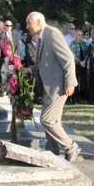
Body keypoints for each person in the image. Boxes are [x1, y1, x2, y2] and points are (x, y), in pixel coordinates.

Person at [26, 12, 81, 163]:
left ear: (38, 22)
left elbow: (68, 58)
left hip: (58, 86)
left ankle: (71, 147)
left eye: (29, 22)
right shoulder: (42, 36)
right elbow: (40, 63)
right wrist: (25, 70)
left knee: (47, 120)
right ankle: (52, 149)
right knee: (53, 120)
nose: (27, 26)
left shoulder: (52, 33)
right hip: (48, 85)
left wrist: (70, 82)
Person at [69, 30, 88, 102]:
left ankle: (82, 96)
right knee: (76, 81)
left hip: (83, 64)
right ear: (76, 35)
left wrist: (84, 61)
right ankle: (75, 97)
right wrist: (79, 62)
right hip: (76, 65)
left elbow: (87, 53)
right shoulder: (72, 44)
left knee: (83, 81)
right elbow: (72, 55)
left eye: (81, 35)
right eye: (79, 35)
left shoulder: (84, 44)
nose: (80, 36)